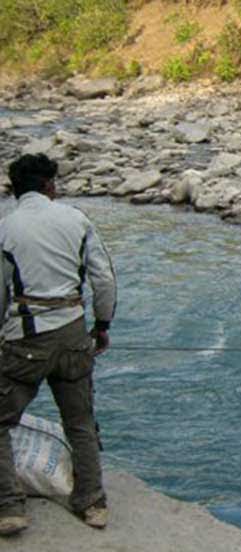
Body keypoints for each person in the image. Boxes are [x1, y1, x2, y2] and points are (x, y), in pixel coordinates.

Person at [0, 154, 117, 535]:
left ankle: (9, 508)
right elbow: (104, 280)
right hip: (73, 335)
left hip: (24, 341)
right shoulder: (77, 219)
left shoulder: (5, 228)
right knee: (80, 422)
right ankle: (92, 503)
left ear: (14, 189)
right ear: (49, 185)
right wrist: (102, 325)